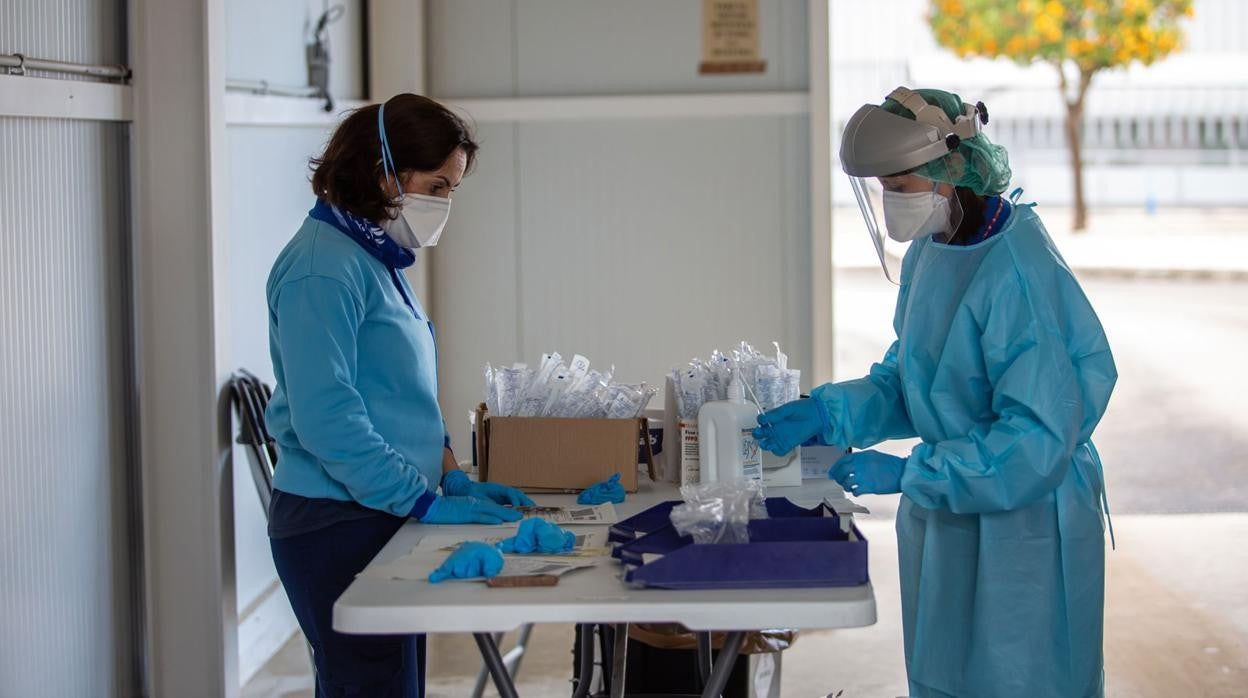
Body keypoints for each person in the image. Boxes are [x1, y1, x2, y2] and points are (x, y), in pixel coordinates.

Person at [754, 87, 1117, 698]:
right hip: (955, 506)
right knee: (949, 677)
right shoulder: (937, 249)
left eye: (899, 187)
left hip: (1023, 521)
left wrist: (912, 473)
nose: (891, 203)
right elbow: (913, 378)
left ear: (951, 176)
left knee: (1020, 679)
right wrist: (830, 410)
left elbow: (1037, 437)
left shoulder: (1017, 274)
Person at [264, 93, 531, 697]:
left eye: (452, 190)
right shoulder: (321, 270)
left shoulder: (371, 257)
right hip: (335, 522)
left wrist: (449, 475)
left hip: (382, 510)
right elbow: (327, 417)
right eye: (437, 186)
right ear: (383, 171)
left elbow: (401, 394)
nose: (444, 204)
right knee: (370, 685)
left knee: (396, 684)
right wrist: (423, 501)